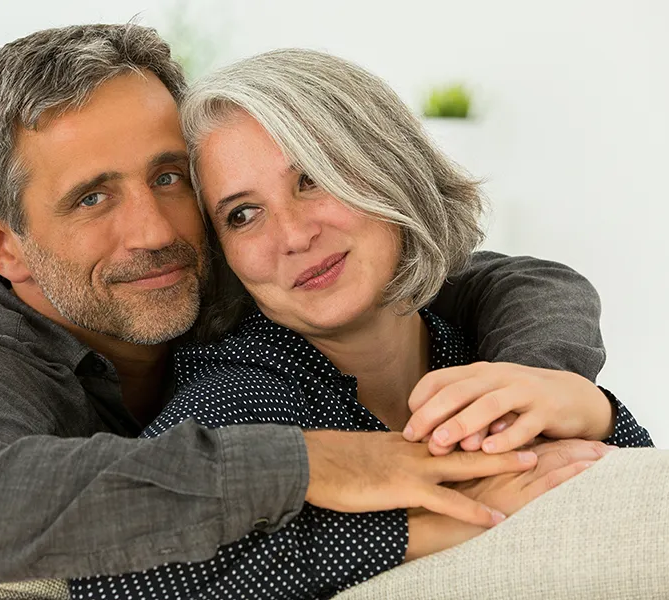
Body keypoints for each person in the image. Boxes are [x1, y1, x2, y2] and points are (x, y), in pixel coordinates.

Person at [0, 24, 623, 588]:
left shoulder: (217, 260)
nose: (154, 231)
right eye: (92, 198)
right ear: (6, 246)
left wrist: (537, 385)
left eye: (167, 177)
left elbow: (494, 278)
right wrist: (306, 463)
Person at [71, 48, 652, 599]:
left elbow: (634, 505)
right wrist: (419, 525)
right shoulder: (243, 392)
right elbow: (108, 571)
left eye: (311, 179)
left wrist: (593, 410)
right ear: (224, 256)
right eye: (243, 215)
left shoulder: (469, 346)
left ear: (388, 168)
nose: (294, 236)